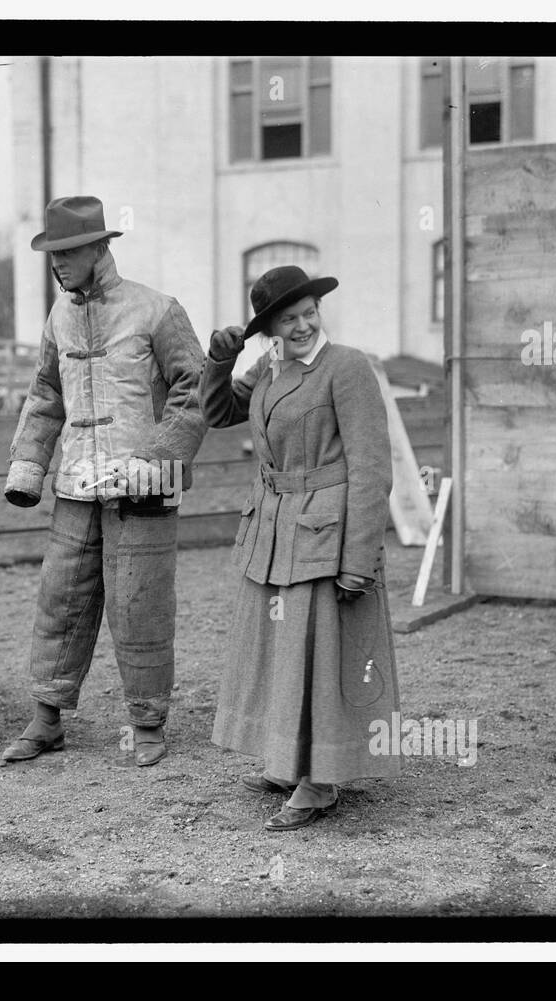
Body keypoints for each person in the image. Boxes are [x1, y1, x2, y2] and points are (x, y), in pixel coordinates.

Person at [1, 195, 207, 767]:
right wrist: (28, 467)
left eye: (69, 251)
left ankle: (147, 721)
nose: (59, 263)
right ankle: (46, 719)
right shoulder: (57, 317)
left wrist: (159, 458)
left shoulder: (157, 310)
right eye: (52, 253)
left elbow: (195, 392)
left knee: (140, 604)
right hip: (76, 488)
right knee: (59, 601)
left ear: (101, 247)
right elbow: (46, 394)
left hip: (144, 490)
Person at [200, 265, 402, 830]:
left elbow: (371, 469)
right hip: (273, 531)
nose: (303, 325)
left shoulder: (348, 368)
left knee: (320, 660)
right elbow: (216, 413)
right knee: (281, 656)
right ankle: (288, 762)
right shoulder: (269, 368)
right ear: (270, 329)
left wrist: (359, 558)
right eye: (289, 319)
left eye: (309, 313)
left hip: (325, 536)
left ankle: (319, 782)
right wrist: (219, 361)